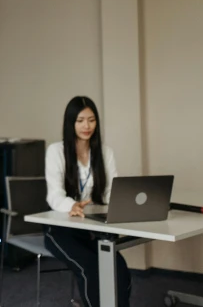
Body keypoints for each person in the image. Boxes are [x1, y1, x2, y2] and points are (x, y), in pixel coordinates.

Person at [43, 96, 131, 307]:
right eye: (80, 120)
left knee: (120, 270)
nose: (87, 126)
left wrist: (122, 204)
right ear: (70, 123)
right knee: (90, 269)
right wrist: (71, 206)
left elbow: (110, 193)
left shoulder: (105, 153)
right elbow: (53, 195)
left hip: (93, 228)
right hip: (61, 230)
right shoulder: (56, 151)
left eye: (91, 120)